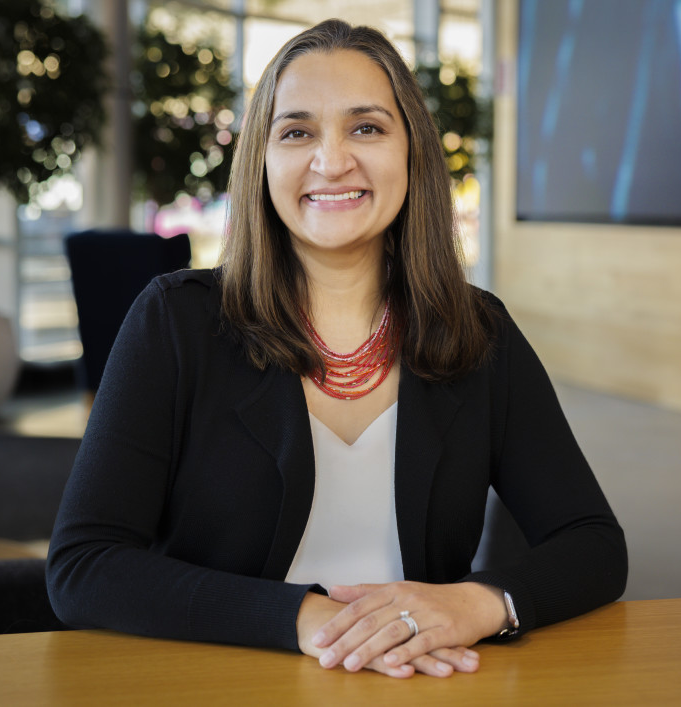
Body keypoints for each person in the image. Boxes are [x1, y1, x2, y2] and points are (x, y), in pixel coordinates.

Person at [46, 19, 626, 679]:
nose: (331, 161)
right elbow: (84, 565)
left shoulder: (476, 330)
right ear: (262, 162)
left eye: (367, 127)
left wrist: (475, 603)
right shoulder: (176, 321)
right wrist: (312, 620)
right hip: (219, 686)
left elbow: (593, 544)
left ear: (412, 150)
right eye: (296, 132)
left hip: (421, 687)